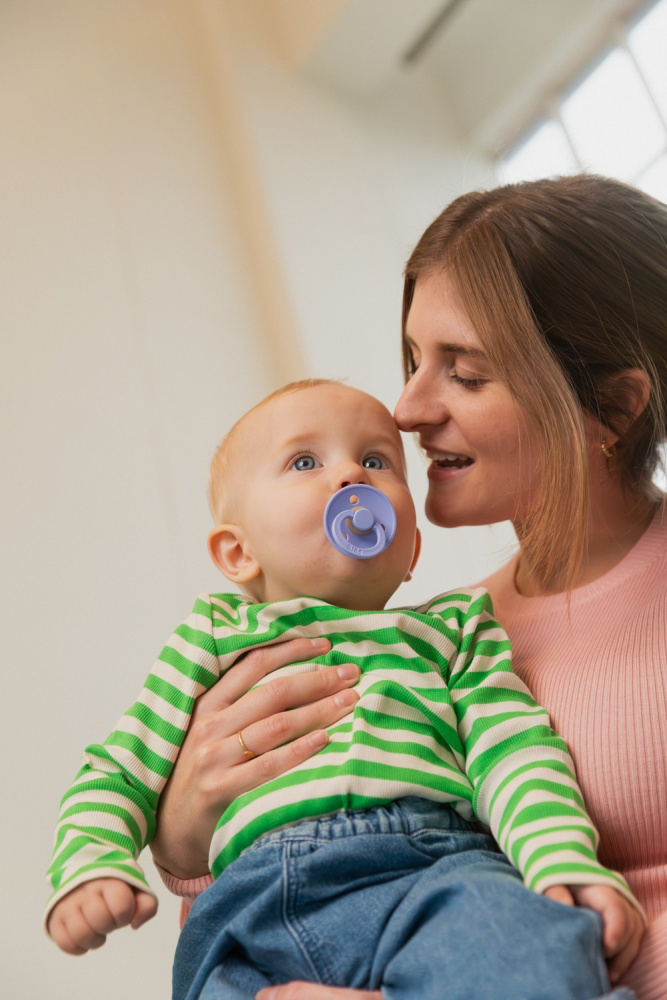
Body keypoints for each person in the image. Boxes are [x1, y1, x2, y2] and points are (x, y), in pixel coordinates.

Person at [147, 176, 667, 1000]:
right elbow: (287, 895)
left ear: (611, 406)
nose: (407, 409)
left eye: (465, 374)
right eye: (415, 359)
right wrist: (181, 837)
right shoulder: (435, 638)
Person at [45, 378, 642, 1000]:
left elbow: (514, 751)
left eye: (377, 460)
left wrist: (560, 859)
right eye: (305, 461)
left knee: (534, 947)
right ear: (237, 552)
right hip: (249, 900)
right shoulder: (212, 637)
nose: (352, 475)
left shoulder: (453, 630)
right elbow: (120, 772)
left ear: (410, 549)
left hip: (431, 872)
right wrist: (92, 863)